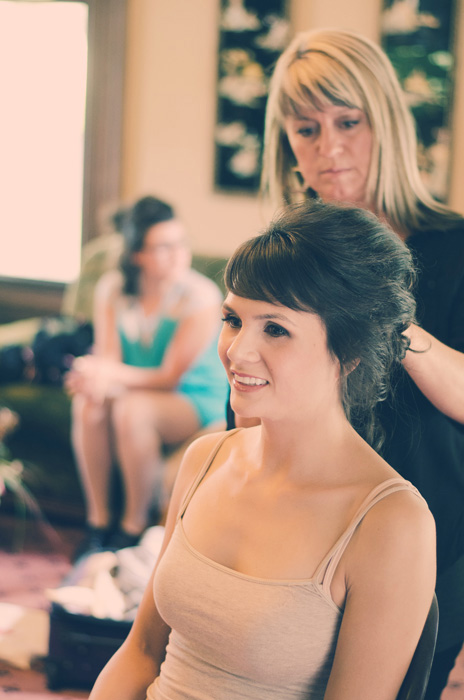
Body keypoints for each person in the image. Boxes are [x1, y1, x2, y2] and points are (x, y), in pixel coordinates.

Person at [88, 200, 436, 700]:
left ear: (349, 351)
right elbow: (141, 653)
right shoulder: (204, 459)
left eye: (275, 328)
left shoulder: (391, 524)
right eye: (233, 320)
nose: (237, 350)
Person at [227, 27, 464, 698]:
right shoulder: (279, 260)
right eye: (305, 130)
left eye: (347, 122)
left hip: (430, 558)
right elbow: (244, 412)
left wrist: (380, 308)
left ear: (383, 120)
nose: (328, 149)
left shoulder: (455, 252)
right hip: (296, 559)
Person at [66, 195, 228, 559]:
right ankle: (98, 523)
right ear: (136, 254)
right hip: (140, 386)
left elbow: (169, 376)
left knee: (131, 410)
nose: (178, 254)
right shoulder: (112, 289)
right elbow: (109, 356)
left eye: (181, 243)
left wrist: (105, 373)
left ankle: (133, 526)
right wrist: (96, 379)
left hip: (193, 395)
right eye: (164, 247)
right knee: (88, 404)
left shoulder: (200, 296)